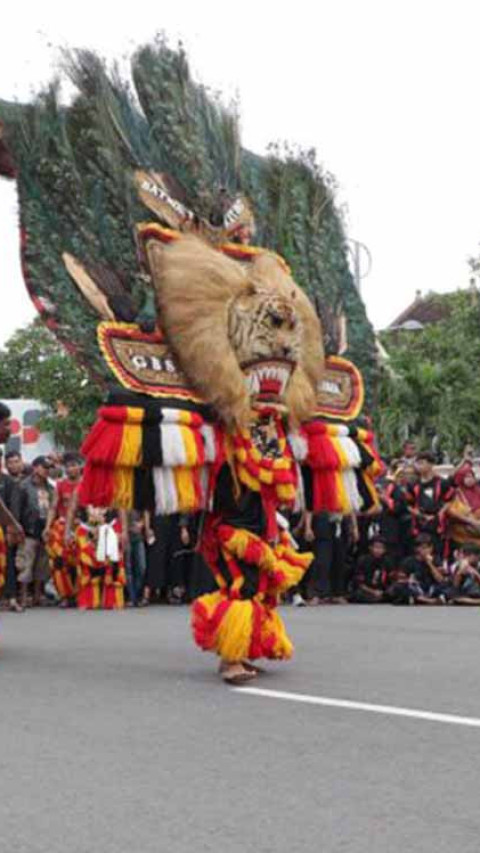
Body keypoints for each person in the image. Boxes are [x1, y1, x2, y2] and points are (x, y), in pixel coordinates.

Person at [43, 452, 83, 607]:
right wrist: (47, 527)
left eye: (74, 465)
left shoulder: (87, 483)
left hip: (82, 528)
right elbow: (53, 508)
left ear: (80, 466)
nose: (71, 469)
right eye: (68, 466)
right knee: (59, 562)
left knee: (82, 562)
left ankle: (81, 595)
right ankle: (65, 596)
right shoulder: (60, 485)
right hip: (61, 527)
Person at [16, 456, 54, 607]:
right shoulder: (23, 486)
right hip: (28, 530)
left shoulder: (50, 487)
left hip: (45, 530)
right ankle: (23, 597)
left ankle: (38, 596)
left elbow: (53, 508)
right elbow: (17, 509)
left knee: (42, 565)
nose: (47, 471)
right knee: (26, 563)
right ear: (35, 467)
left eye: (48, 468)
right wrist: (17, 528)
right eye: (44, 467)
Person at [75, 507, 126, 609]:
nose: (97, 511)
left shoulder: (113, 525)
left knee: (114, 560)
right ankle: (88, 601)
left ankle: (112, 601)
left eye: (100, 508)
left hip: (108, 553)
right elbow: (84, 546)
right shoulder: (82, 528)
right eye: (93, 508)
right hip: (91, 553)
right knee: (85, 559)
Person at [408, 452, 453, 558]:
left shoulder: (442, 483)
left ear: (431, 464)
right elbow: (408, 504)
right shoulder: (413, 484)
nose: (419, 466)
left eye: (422, 463)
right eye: (417, 463)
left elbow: (449, 501)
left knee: (438, 554)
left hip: (438, 526)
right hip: (419, 526)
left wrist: (439, 515)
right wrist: (420, 515)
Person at [400, 535, 451, 605]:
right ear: (416, 549)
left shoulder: (436, 559)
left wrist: (429, 563)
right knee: (399, 587)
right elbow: (401, 579)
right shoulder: (409, 561)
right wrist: (409, 580)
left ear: (431, 548)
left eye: (427, 548)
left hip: (431, 587)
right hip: (416, 588)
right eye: (421, 548)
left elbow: (440, 579)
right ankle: (429, 601)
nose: (424, 550)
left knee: (448, 586)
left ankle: (419, 600)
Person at [444, 465, 480, 551]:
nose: (470, 479)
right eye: (466, 476)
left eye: (472, 476)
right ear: (460, 478)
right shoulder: (455, 493)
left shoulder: (478, 491)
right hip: (461, 537)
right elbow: (450, 511)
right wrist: (471, 521)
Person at [350, 537, 392, 603]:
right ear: (370, 548)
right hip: (367, 590)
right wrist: (373, 592)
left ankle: (380, 599)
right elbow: (359, 583)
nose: (378, 550)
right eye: (376, 547)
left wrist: (383, 592)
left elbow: (391, 580)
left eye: (381, 548)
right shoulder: (363, 560)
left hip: (381, 591)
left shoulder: (387, 562)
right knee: (358, 594)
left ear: (384, 550)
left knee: (395, 592)